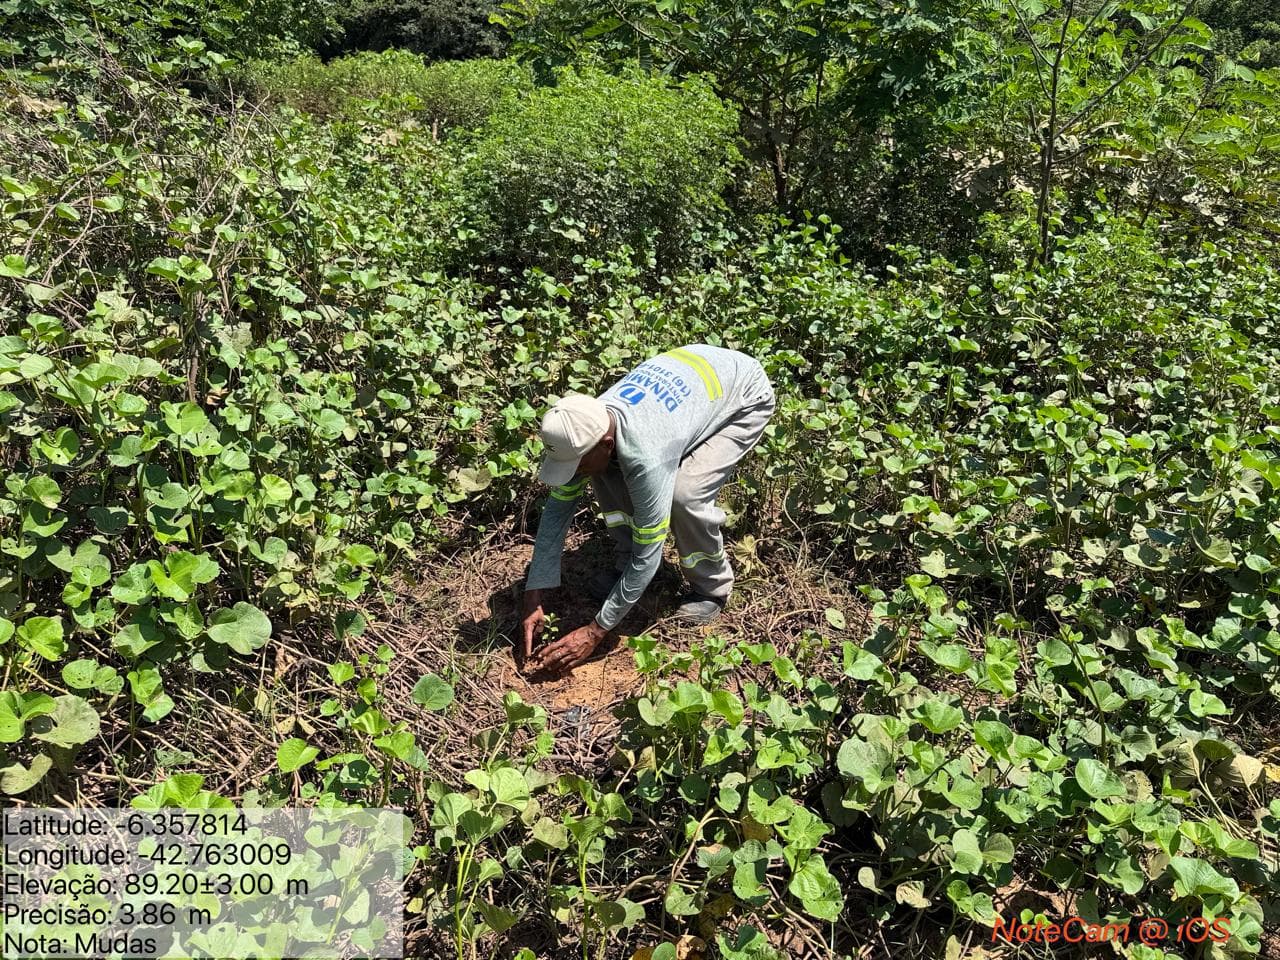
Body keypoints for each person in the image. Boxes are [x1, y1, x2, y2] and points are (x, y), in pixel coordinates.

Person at [521, 344, 775, 675]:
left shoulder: (645, 454)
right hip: (693, 375)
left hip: (741, 394)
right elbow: (557, 512)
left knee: (685, 496)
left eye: (576, 464)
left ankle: (711, 587)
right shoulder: (583, 425)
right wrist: (533, 594)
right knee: (605, 473)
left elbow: (650, 552)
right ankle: (627, 567)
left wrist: (596, 630)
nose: (574, 473)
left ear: (606, 443)